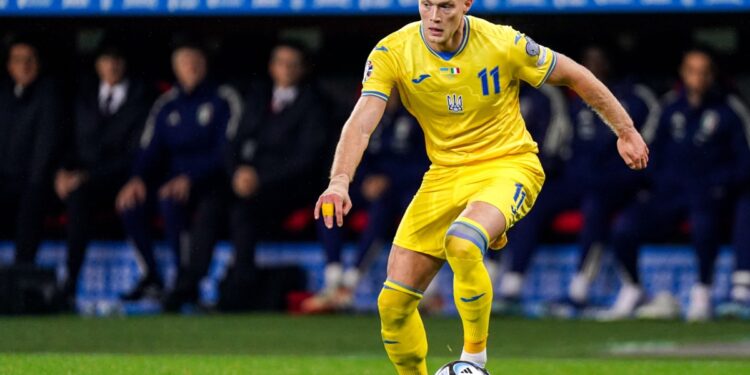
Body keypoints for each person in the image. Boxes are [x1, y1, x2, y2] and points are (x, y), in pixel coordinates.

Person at [313, 1, 649, 373]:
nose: (434, 16)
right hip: (443, 175)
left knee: (463, 240)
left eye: (445, 6)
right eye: (426, 4)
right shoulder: (393, 50)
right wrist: (339, 182)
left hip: (508, 165)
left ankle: (473, 363)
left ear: (466, 4)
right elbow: (361, 121)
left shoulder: (502, 42)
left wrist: (626, 131)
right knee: (392, 305)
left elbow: (576, 75)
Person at [608, 48, 750, 321]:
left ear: (712, 75)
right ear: (683, 74)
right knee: (624, 227)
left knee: (703, 223)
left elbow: (744, 161)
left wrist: (720, 185)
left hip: (710, 196)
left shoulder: (730, 109)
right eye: (692, 71)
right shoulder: (668, 107)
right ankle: (634, 288)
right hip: (668, 194)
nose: (698, 77)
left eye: (704, 72)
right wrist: (652, 181)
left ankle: (702, 293)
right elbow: (646, 149)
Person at [115, 44, 241, 310]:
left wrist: (191, 178)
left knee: (175, 203)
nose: (191, 67)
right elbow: (150, 148)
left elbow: (227, 150)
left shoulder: (223, 98)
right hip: (172, 181)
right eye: (184, 62)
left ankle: (184, 281)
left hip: (212, 182)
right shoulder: (166, 104)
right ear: (175, 68)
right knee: (132, 202)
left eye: (195, 61)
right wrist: (136, 178)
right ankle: (152, 274)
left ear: (205, 63)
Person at [303, 89, 429, 314]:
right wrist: (365, 180)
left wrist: (388, 180)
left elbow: (425, 162)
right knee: (329, 203)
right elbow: (347, 154)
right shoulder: (361, 118)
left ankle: (351, 281)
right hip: (364, 185)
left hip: (401, 190)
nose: (386, 97)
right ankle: (333, 276)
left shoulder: (416, 117)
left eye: (391, 93)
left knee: (384, 207)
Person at [227, 41, 328, 295]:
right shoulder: (256, 98)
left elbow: (307, 159)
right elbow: (233, 142)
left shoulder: (314, 105)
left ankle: (242, 288)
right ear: (272, 67)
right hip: (246, 182)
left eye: (293, 64)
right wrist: (238, 172)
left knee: (244, 211)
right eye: (281, 63)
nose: (286, 69)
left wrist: (260, 178)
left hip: (289, 189)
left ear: (303, 69)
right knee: (212, 204)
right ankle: (191, 285)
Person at [55, 46, 151, 304]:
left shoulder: (141, 99)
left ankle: (152, 276)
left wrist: (87, 176)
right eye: (107, 59)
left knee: (132, 201)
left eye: (117, 59)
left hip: (124, 178)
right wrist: (63, 171)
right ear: (97, 64)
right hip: (85, 182)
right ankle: (69, 282)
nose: (112, 65)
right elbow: (69, 142)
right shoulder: (83, 97)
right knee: (76, 198)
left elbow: (135, 153)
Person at [0, 39, 63, 267]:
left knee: (32, 202)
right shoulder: (4, 95)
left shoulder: (49, 94)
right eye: (18, 60)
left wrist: (35, 182)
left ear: (39, 64)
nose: (24, 66)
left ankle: (20, 275)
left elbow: (44, 147)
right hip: (5, 179)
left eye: (30, 60)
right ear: (9, 66)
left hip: (33, 181)